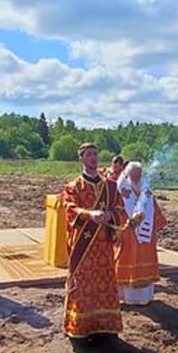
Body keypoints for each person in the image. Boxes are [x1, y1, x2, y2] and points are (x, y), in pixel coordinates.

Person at [62, 142, 126, 340]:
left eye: (95, 154)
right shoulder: (74, 186)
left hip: (103, 245)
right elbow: (69, 208)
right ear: (81, 158)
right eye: (88, 155)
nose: (93, 158)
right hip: (84, 245)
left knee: (104, 284)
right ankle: (80, 327)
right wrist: (90, 214)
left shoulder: (110, 186)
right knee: (82, 284)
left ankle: (105, 325)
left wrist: (110, 216)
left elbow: (119, 209)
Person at [114, 161, 166, 306]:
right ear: (128, 175)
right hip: (127, 234)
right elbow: (116, 210)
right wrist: (126, 221)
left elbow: (153, 208)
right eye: (133, 176)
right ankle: (125, 296)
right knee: (126, 261)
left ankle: (143, 297)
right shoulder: (121, 190)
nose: (136, 178)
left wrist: (153, 223)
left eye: (139, 175)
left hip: (146, 236)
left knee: (144, 262)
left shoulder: (146, 190)